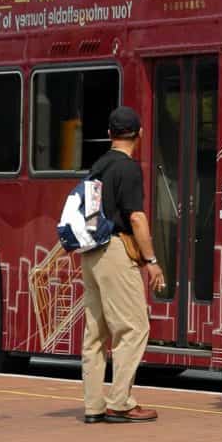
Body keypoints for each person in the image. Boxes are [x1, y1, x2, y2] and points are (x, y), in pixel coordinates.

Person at [81, 106, 165, 424]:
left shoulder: (97, 166)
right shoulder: (128, 169)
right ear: (139, 135)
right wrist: (151, 261)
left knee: (95, 332)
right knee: (135, 327)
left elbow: (89, 214)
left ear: (109, 134)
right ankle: (120, 401)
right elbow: (136, 217)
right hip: (116, 250)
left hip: (91, 250)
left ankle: (93, 405)